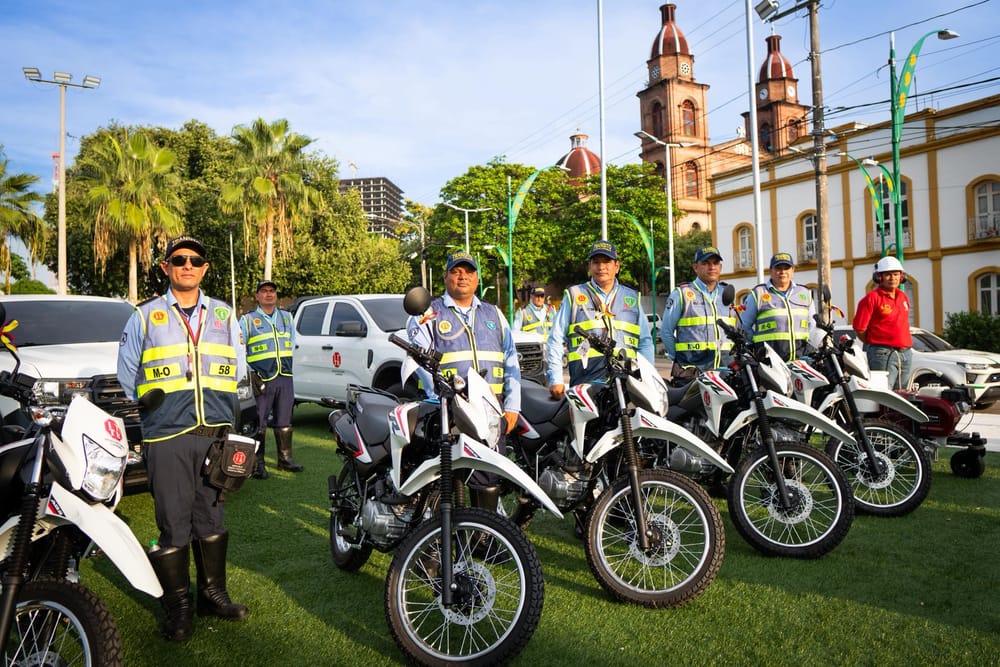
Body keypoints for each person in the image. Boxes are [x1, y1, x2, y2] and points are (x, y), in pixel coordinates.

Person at [117, 235, 249, 641]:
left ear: (205, 268)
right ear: (166, 267)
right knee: (173, 523)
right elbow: (127, 376)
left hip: (214, 433)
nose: (187, 266)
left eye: (195, 260)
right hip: (167, 435)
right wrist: (152, 403)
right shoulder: (144, 316)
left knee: (211, 518)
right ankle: (179, 607)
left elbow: (239, 369)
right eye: (179, 260)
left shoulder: (226, 316)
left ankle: (212, 594)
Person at [407, 251, 521, 512]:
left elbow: (512, 361)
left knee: (488, 473)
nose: (462, 276)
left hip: (490, 409)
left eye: (468, 271)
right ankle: (436, 544)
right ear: (446, 276)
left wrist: (513, 406)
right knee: (444, 474)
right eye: (456, 271)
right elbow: (419, 361)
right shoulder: (428, 313)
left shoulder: (494, 314)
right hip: (448, 408)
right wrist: (441, 396)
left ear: (477, 278)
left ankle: (485, 536)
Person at [546, 240, 654, 398]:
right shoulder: (574, 295)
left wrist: (647, 377)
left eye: (607, 262)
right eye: (596, 262)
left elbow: (645, 342)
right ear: (590, 267)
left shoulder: (631, 297)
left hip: (627, 383)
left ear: (616, 266)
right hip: (586, 384)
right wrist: (556, 378)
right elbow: (555, 339)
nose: (601, 267)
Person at [239, 279, 302, 478]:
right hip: (261, 378)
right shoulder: (247, 320)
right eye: (264, 291)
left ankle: (285, 460)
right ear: (257, 296)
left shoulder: (286, 317)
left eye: (272, 291)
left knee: (284, 420)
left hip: (284, 375)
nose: (269, 294)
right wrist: (250, 373)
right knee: (259, 422)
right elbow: (240, 350)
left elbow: (292, 343)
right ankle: (258, 465)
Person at [660, 246, 736, 381]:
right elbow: (666, 331)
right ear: (695, 267)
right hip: (694, 370)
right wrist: (678, 357)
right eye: (706, 263)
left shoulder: (726, 293)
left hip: (725, 369)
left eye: (715, 263)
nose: (711, 267)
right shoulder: (682, 293)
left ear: (720, 267)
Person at [738, 252, 817, 361]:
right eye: (778, 268)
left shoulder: (805, 293)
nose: (783, 272)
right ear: (771, 271)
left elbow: (812, 325)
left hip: (802, 360)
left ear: (793, 270)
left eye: (787, 268)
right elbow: (744, 325)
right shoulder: (758, 293)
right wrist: (756, 346)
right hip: (771, 361)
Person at [853, 255, 913, 390]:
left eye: (896, 274)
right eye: (888, 275)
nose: (893, 278)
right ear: (879, 277)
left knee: (903, 393)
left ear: (902, 277)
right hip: (883, 353)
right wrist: (875, 344)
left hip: (906, 353)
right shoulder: (871, 299)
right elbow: (859, 328)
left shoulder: (903, 296)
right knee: (884, 393)